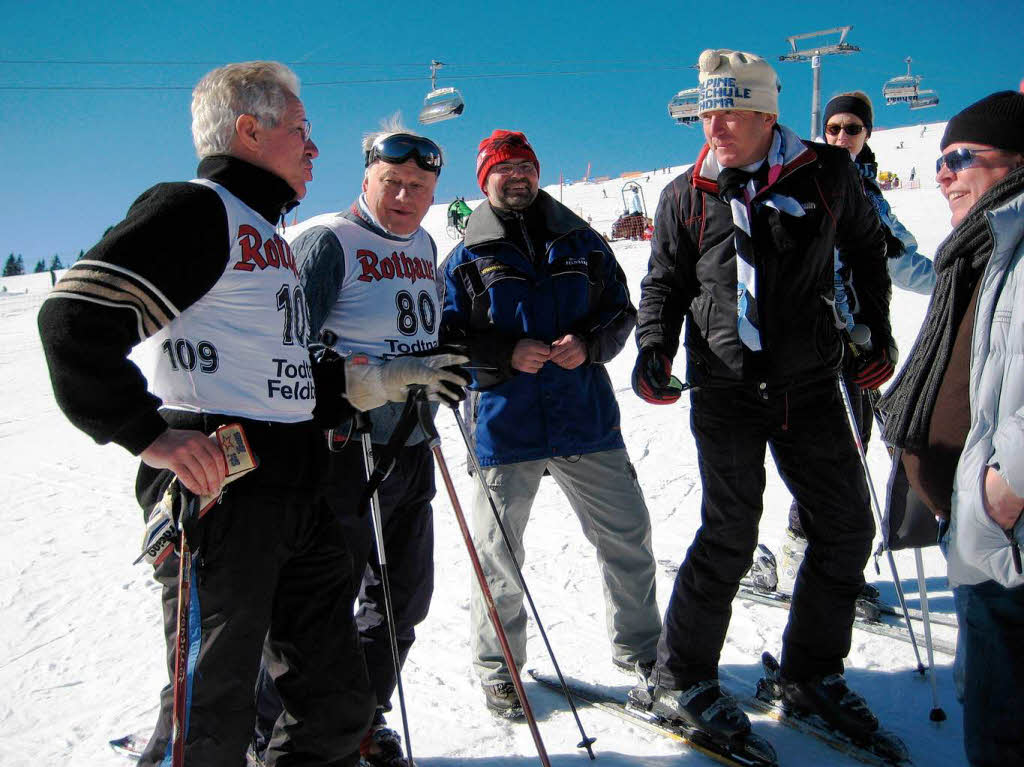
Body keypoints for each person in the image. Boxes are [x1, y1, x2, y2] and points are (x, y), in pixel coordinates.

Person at [36, 61, 453, 767]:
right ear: (250, 131)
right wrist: (150, 435)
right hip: (221, 487)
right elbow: (72, 318)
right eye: (301, 131)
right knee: (212, 716)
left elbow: (280, 369)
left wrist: (370, 382)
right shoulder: (196, 208)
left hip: (298, 487)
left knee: (340, 705)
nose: (315, 148)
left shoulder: (268, 239)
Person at [632, 49, 892, 752]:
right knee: (730, 532)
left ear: (766, 113)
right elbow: (664, 283)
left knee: (844, 526)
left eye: (728, 109)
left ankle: (809, 670)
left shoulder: (827, 174)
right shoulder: (686, 192)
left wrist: (877, 332)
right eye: (706, 110)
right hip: (724, 386)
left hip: (808, 383)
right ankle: (680, 676)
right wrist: (651, 347)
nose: (713, 123)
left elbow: (870, 250)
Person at [251, 120, 468, 766]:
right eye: (392, 182)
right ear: (367, 178)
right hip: (344, 452)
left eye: (419, 186)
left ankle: (357, 718)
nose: (405, 196)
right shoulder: (328, 241)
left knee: (404, 598)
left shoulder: (426, 242)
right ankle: (265, 731)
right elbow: (285, 352)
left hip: (410, 446)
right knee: (315, 609)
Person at [439, 129, 662, 718]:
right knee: (498, 556)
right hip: (505, 427)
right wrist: (503, 353)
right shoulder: (464, 259)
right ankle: (500, 668)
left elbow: (621, 311)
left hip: (584, 421)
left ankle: (642, 650)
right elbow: (448, 337)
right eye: (503, 168)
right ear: (484, 179)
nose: (517, 177)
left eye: (526, 167)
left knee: (627, 537)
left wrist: (588, 344)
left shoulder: (583, 243)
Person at [878, 90, 1024, 766]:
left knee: (1006, 717)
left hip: (1005, 526)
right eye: (938, 161)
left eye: (961, 157)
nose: (942, 173)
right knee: (991, 698)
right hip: (976, 520)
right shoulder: (984, 247)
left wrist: (1006, 485)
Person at [775, 90, 936, 593]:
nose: (841, 137)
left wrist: (958, 276)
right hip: (817, 341)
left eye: (852, 129)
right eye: (834, 128)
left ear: (867, 135)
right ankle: (805, 558)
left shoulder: (866, 189)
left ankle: (823, 558)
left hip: (862, 344)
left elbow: (897, 260)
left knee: (850, 450)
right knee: (827, 455)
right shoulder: (807, 177)